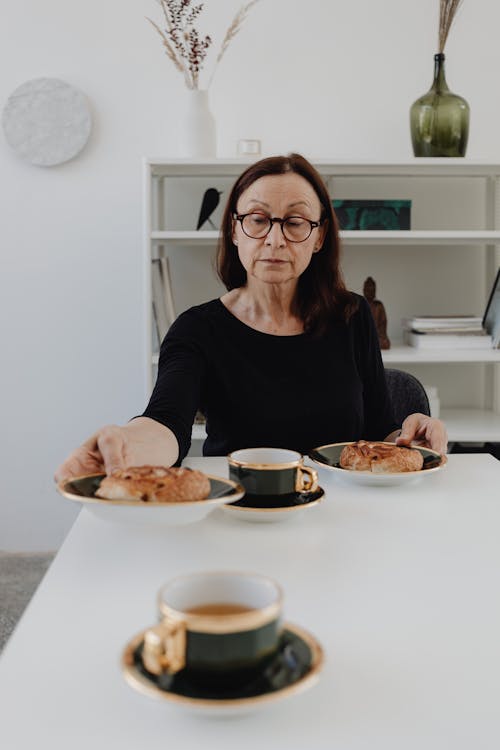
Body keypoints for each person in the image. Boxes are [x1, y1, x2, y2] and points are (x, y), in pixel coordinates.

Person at [55, 154, 447, 482]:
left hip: (341, 510)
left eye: (294, 223)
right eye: (258, 220)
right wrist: (125, 446)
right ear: (235, 230)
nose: (274, 240)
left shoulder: (353, 314)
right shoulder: (197, 330)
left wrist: (409, 438)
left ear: (319, 236)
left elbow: (379, 428)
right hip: (242, 510)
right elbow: (165, 424)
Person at [363, 276, 390, 350]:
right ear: (364, 290)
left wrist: (380, 334)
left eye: (372, 290)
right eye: (367, 290)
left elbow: (383, 323)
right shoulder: (360, 305)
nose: (370, 293)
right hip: (364, 336)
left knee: (383, 342)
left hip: (378, 336)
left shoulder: (379, 305)